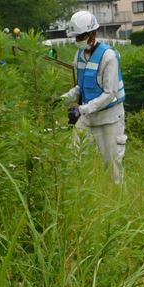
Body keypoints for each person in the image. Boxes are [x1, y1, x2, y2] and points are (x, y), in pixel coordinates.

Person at [59, 10, 127, 184]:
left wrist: (81, 109)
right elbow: (80, 87)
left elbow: (109, 93)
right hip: (88, 116)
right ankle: (77, 192)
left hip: (109, 118)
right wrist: (62, 99)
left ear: (92, 34)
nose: (78, 40)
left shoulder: (108, 56)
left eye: (81, 36)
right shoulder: (80, 55)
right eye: (76, 37)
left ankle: (117, 198)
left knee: (112, 166)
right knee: (73, 155)